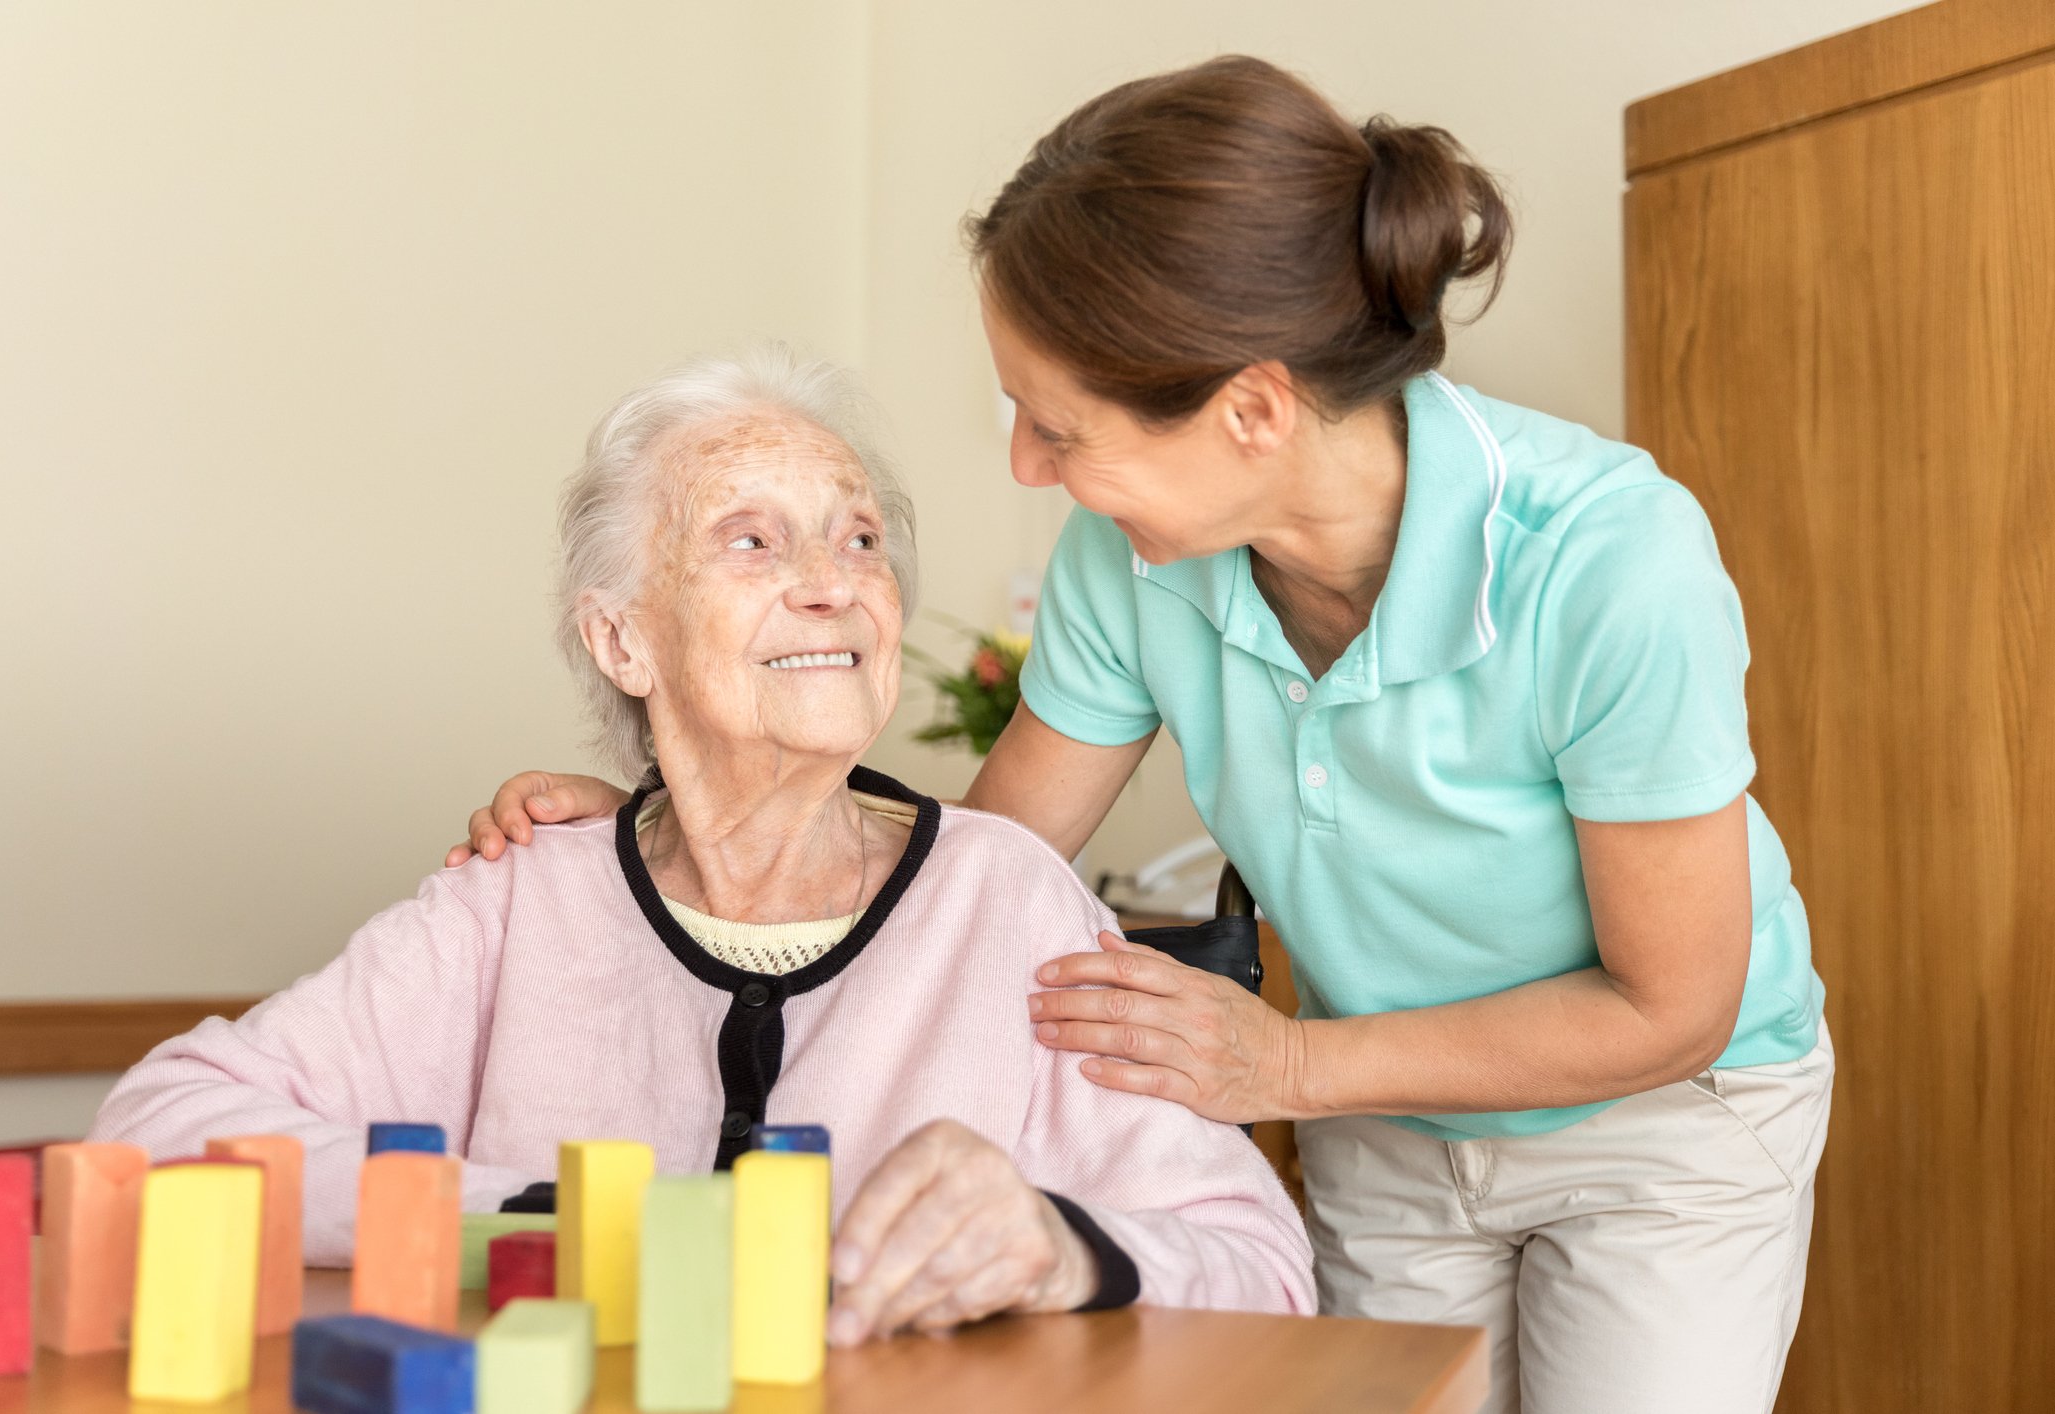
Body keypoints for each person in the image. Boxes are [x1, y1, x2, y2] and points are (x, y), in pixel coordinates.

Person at [450, 57, 1833, 1413]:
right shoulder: (1136, 561)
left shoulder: (1604, 560)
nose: (1025, 468)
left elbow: (1672, 1005)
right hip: (1388, 1125)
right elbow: (977, 870)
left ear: (1250, 410)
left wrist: (1288, 1067)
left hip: (1663, 1123)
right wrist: (684, 825)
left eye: (1059, 428)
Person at [91, 346, 1315, 1346]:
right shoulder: (523, 898)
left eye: (860, 539)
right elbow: (159, 1125)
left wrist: (1066, 1246)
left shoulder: (1007, 900)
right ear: (624, 642)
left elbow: (1264, 1264)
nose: (831, 583)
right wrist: (565, 1221)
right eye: (752, 539)